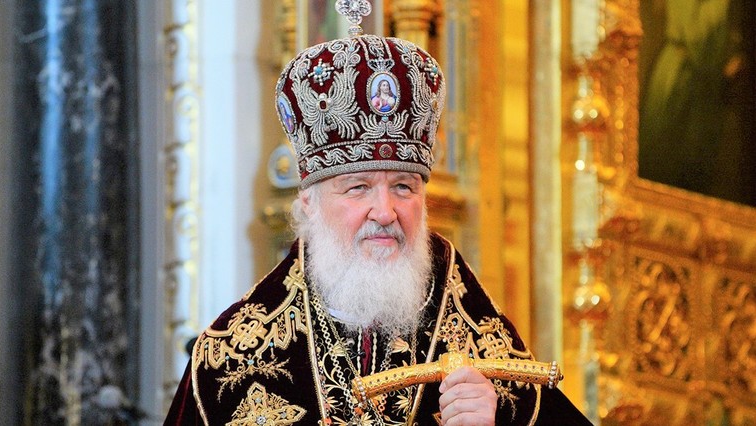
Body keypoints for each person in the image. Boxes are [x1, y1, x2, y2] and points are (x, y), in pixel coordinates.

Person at [166, 5, 592, 425]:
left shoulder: (482, 341)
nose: (385, 212)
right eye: (358, 188)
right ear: (309, 201)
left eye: (404, 187)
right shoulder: (230, 359)